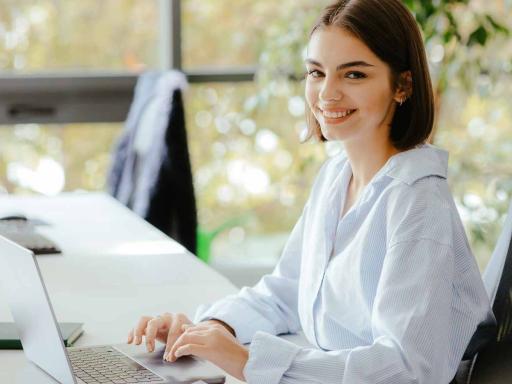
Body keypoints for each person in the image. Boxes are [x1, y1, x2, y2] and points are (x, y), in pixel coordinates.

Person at [127, 0, 495, 382]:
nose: (327, 94)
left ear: (402, 85)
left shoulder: (417, 201)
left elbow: (406, 368)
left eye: (354, 75)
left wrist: (248, 362)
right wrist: (210, 329)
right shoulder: (337, 175)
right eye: (316, 73)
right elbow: (288, 290)